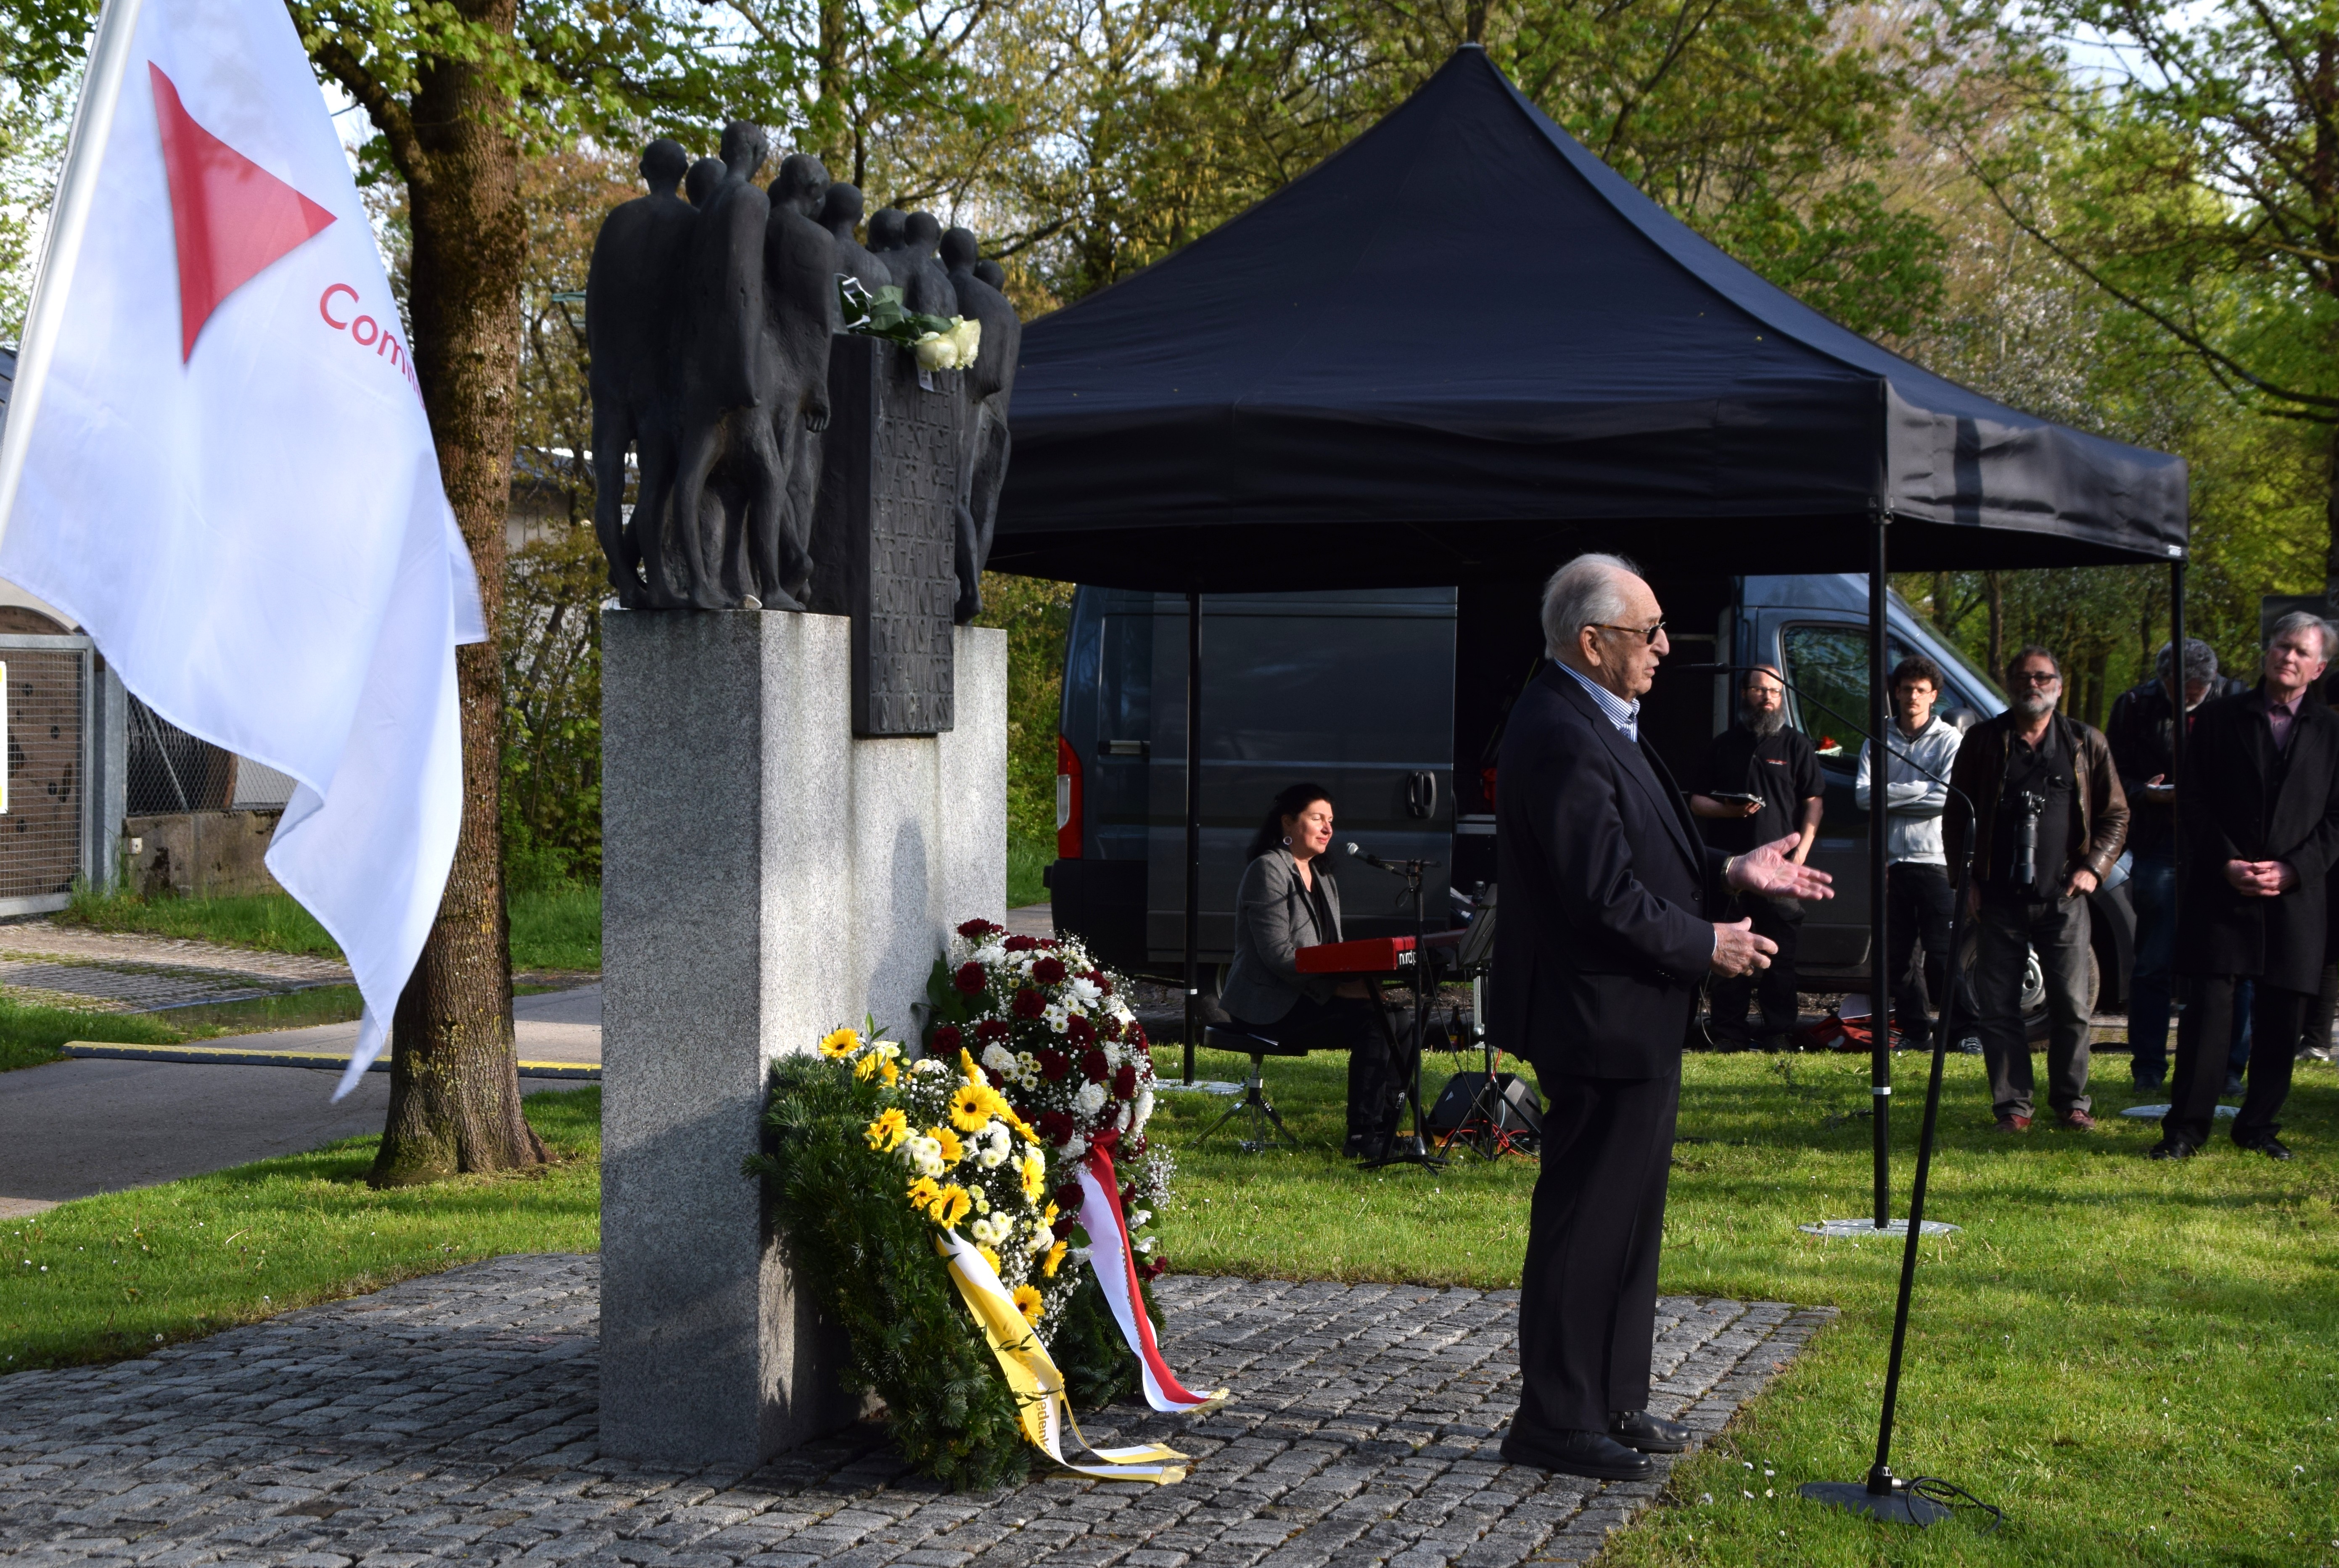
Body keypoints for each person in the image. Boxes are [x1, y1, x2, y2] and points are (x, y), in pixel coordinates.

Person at [1492, 553, 1832, 1483]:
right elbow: (1599, 893)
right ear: (1592, 641)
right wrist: (1706, 944)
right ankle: (1556, 1416)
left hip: (1632, 1011)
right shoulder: (1562, 730)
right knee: (1587, 1214)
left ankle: (1610, 1395)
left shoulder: (1604, 718)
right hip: (1597, 1010)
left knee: (1631, 1216)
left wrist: (1732, 871)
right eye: (1649, 632)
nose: (1666, 648)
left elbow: (1642, 851)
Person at [2155, 612, 2339, 1160]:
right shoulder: (2214, 719)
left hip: (2295, 895)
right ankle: (2184, 1130)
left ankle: (2257, 1126)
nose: (2287, 657)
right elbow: (2190, 800)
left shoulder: (2332, 732)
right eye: (2281, 646)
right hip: (2223, 889)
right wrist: (2225, 862)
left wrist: (2292, 871)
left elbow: (2335, 818)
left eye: (2300, 652)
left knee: (2282, 1017)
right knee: (2207, 1015)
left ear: (2318, 667)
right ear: (2265, 652)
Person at [1945, 646, 2128, 1133]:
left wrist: (2093, 868)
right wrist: (1964, 882)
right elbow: (1956, 816)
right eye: (2024, 677)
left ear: (2059, 685)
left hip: (2063, 897)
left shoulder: (2086, 743)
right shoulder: (1984, 741)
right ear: (2010, 683)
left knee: (2071, 1005)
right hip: (1997, 896)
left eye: (2043, 676)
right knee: (1998, 1007)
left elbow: (2115, 814)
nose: (2033, 684)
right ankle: (2012, 1108)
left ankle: (2072, 1103)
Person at [1218, 782, 1401, 1158]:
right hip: (1265, 1006)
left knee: (1401, 1018)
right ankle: (1362, 1136)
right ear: (1287, 823)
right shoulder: (1267, 870)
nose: (1328, 829)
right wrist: (1339, 991)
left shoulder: (1324, 876)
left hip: (1304, 998)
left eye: (1330, 820)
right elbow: (1278, 955)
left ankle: (1387, 1128)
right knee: (1375, 1022)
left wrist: (1361, 977)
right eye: (1317, 818)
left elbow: (1331, 952)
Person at [2107, 638, 2236, 1090]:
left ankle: (2228, 1067)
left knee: (2227, 959)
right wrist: (2148, 793)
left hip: (2219, 844)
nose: (2189, 696)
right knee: (2153, 960)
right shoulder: (2134, 707)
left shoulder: (2235, 701)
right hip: (2159, 840)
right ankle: (2147, 1065)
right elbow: (2113, 776)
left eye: (2198, 688)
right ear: (2163, 679)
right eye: (2179, 687)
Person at [1690, 665, 1824, 1049]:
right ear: (1744, 694)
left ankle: (1777, 1033)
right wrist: (1730, 812)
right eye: (1759, 690)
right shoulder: (1722, 745)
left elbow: (1813, 801)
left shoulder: (1796, 746)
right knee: (1729, 957)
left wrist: (1800, 854)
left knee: (1779, 960)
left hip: (1780, 875)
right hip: (1729, 870)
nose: (1767, 697)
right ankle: (1728, 1035)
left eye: (1774, 692)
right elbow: (1698, 802)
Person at [1855, 655, 1964, 1050]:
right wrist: (1920, 789)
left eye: (1921, 690)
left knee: (1942, 957)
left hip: (1935, 862)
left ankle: (1963, 1033)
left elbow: (1947, 799)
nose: (1912, 697)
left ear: (1933, 696)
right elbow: (1864, 797)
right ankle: (1916, 1035)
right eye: (1906, 689)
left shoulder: (1951, 741)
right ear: (1896, 693)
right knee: (1898, 961)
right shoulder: (1877, 740)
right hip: (1888, 864)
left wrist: (1891, 795)